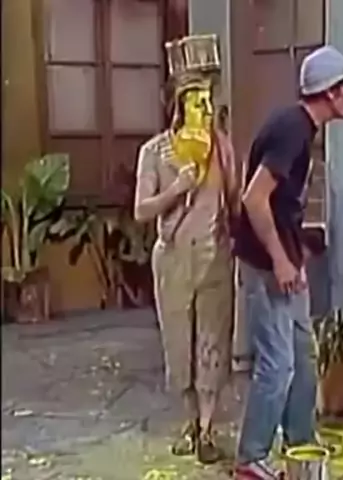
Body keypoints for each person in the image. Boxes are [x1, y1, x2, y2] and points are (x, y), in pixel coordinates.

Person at [233, 45, 343, 479]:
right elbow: (254, 198)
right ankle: (251, 458)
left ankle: (300, 443)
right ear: (331, 91)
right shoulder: (292, 129)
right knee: (278, 362)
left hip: (284, 260)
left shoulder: (303, 130)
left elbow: (283, 204)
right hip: (265, 265)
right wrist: (279, 260)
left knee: (304, 354)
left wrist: (296, 255)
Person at [134, 34, 239, 464]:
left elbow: (233, 202)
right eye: (198, 102)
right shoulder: (155, 152)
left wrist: (227, 165)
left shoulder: (222, 147)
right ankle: (189, 422)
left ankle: (209, 428)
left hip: (214, 257)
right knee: (180, 343)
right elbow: (141, 209)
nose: (206, 110)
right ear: (179, 106)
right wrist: (178, 188)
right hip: (173, 257)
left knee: (212, 342)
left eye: (209, 102)